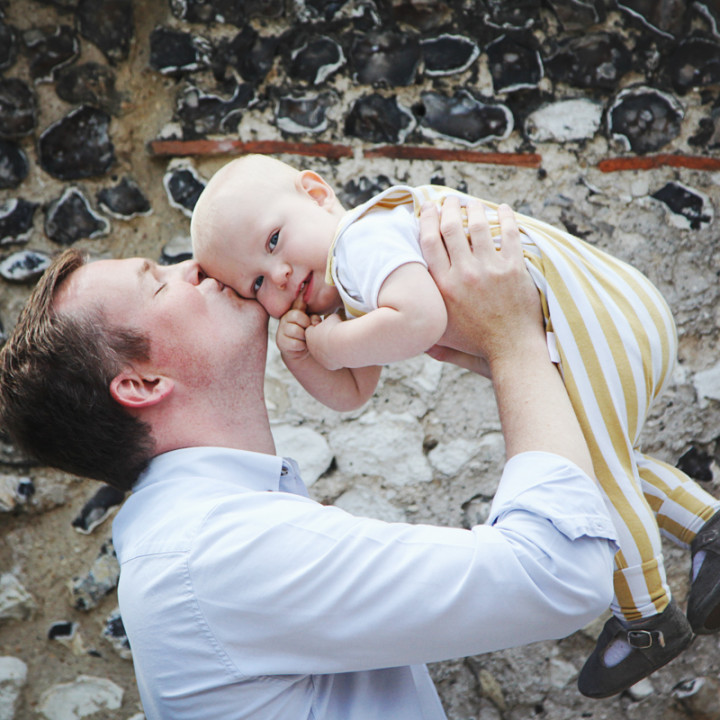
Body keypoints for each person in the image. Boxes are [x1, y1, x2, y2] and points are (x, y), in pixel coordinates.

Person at [0, 201, 618, 719]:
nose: (193, 268)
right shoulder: (217, 550)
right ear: (141, 384)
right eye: (158, 280)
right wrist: (513, 340)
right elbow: (558, 574)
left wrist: (499, 353)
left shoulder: (215, 530)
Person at [190, 154, 720, 698]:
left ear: (317, 194)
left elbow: (420, 320)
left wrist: (328, 343)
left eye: (274, 240)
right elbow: (354, 393)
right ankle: (707, 526)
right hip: (607, 314)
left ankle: (647, 617)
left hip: (592, 322)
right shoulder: (355, 284)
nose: (276, 275)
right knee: (602, 459)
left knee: (599, 481)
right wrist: (309, 360)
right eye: (256, 283)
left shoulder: (359, 241)